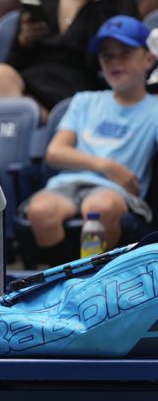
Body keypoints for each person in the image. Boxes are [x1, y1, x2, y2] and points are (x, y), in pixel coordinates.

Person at [22, 15, 157, 252]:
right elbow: (55, 152)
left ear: (148, 59)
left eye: (125, 52)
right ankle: (62, 278)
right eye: (107, 55)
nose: (114, 61)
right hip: (67, 184)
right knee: (40, 210)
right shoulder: (85, 101)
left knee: (100, 207)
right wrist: (107, 166)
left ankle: (94, 280)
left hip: (118, 193)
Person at [0, 0, 138, 121]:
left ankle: (52, 126)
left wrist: (101, 1)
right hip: (33, 86)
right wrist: (24, 40)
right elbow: (13, 61)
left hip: (80, 90)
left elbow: (111, 59)